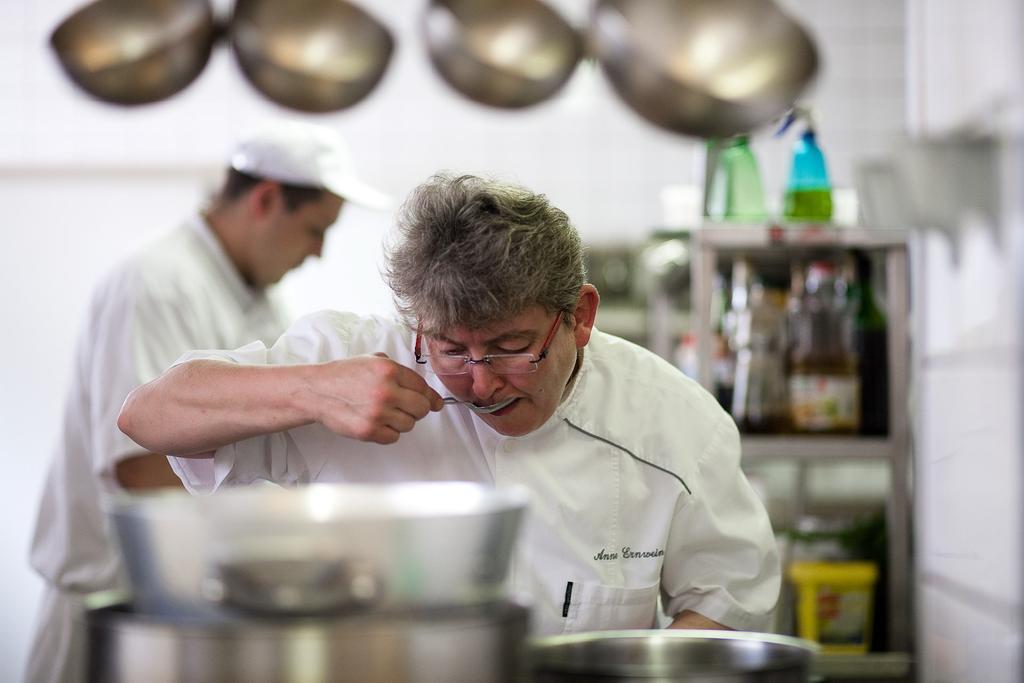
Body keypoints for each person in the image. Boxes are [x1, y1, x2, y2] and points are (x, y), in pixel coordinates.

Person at [118, 173, 780, 635]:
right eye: (449, 349)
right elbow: (148, 415)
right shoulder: (352, 360)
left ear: (579, 315)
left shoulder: (670, 422)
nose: (482, 382)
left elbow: (731, 603)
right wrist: (312, 389)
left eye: (511, 347)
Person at [25, 119, 389, 683]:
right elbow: (143, 469)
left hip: (190, 605)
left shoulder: (260, 299)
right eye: (317, 229)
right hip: (113, 610)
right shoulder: (158, 283)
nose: (318, 252)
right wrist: (286, 538)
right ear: (267, 199)